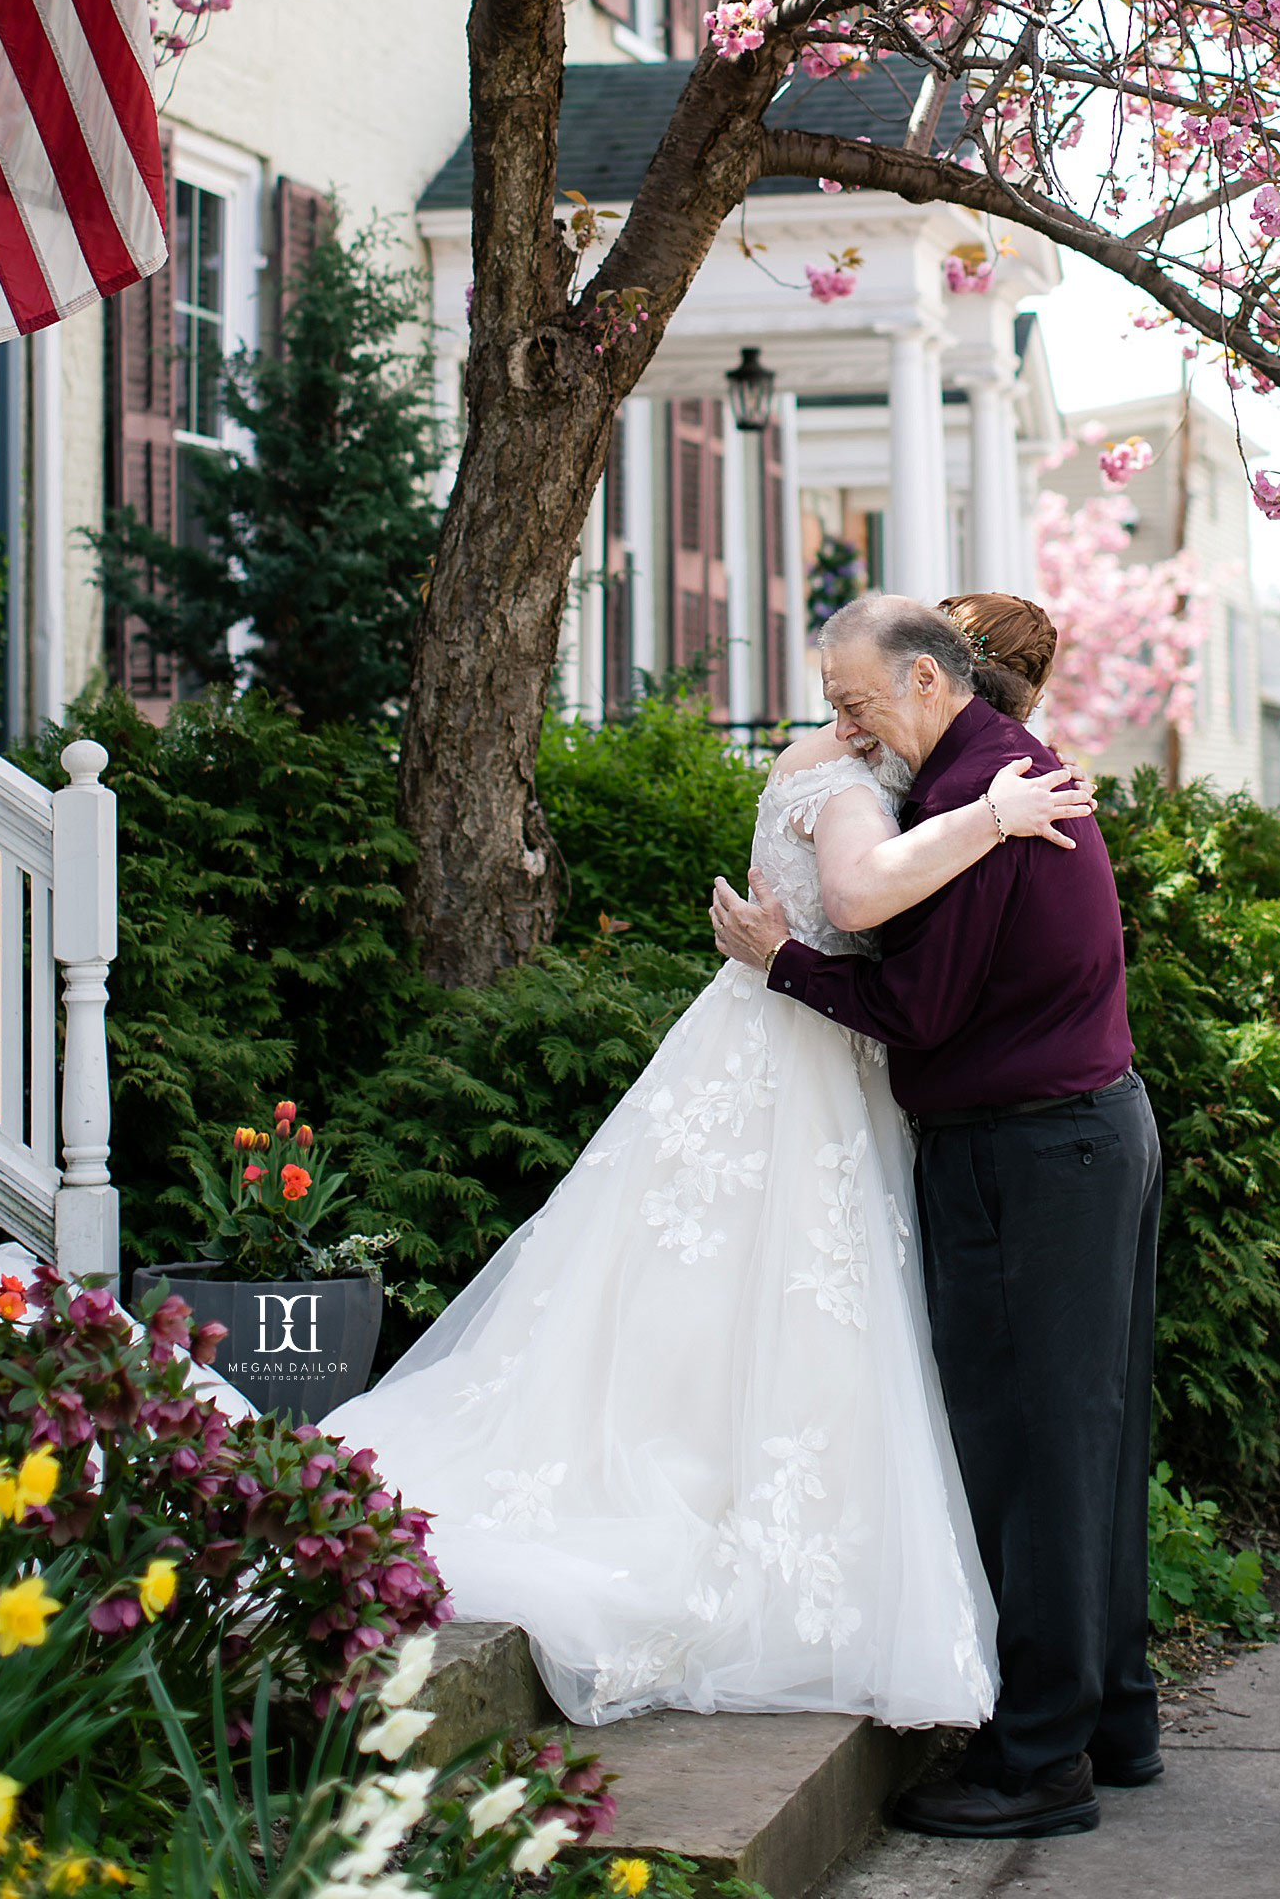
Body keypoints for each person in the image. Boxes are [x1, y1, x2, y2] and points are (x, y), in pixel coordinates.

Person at [324, 696, 1092, 1731]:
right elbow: (861, 902)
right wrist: (988, 817)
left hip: (774, 1031)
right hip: (805, 1047)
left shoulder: (823, 759)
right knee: (772, 1280)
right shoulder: (858, 788)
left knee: (721, 1281)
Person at [711, 593, 1162, 1842]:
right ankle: (1110, 1724)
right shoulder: (992, 777)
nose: (843, 727)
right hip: (1074, 1133)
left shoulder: (986, 801)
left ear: (922, 679)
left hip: (1029, 1154)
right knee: (1086, 1451)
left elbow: (922, 1010)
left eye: (854, 701)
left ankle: (1037, 1766)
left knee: (1032, 1461)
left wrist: (778, 962)